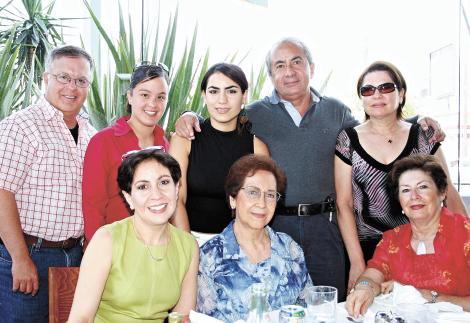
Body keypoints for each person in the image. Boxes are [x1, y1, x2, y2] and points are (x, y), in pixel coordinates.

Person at [175, 37, 444, 301]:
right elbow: (220, 122)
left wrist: (418, 121)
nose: (289, 71)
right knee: (279, 303)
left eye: (296, 62)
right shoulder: (255, 114)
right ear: (270, 75)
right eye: (279, 65)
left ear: (311, 68)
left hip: (325, 227)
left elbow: (374, 127)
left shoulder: (335, 110)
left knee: (329, 302)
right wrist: (190, 117)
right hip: (275, 224)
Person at [334, 61, 468, 292]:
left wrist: (465, 240)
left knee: (426, 304)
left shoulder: (424, 135)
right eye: (368, 90)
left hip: (421, 245)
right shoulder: (348, 140)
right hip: (367, 248)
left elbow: (448, 192)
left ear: (401, 93)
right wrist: (356, 262)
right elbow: (343, 204)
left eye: (386, 87)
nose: (377, 95)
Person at [0, 45, 95, 322]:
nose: (71, 87)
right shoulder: (20, 126)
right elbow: (2, 193)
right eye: (63, 77)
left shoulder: (91, 133)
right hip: (28, 255)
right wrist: (20, 259)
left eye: (81, 81)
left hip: (75, 256)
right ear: (46, 79)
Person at [68, 149, 199, 322]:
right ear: (129, 197)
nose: (157, 195)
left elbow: (182, 317)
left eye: (164, 182)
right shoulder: (106, 240)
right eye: (143, 187)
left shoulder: (188, 245)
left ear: (177, 188)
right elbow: (81, 318)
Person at [346, 154, 470, 317]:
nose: (414, 196)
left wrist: (428, 297)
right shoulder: (392, 240)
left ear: (442, 192)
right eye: (405, 190)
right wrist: (364, 288)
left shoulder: (465, 233)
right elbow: (372, 276)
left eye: (423, 187)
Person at [197, 154, 313, 322]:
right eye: (253, 192)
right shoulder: (209, 256)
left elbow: (308, 310)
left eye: (270, 195)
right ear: (233, 199)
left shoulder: (289, 248)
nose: (262, 203)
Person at [169, 63, 269, 242]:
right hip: (189, 239)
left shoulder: (257, 147)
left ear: (244, 95)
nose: (222, 100)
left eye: (231, 91)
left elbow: (261, 204)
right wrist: (189, 250)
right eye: (214, 91)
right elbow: (176, 200)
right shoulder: (184, 140)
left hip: (241, 244)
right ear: (204, 96)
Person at [83, 62, 172, 243]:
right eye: (144, 95)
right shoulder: (103, 142)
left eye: (161, 97)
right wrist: (98, 253)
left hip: (157, 249)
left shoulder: (165, 145)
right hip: (116, 249)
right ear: (130, 97)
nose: (153, 104)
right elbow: (93, 206)